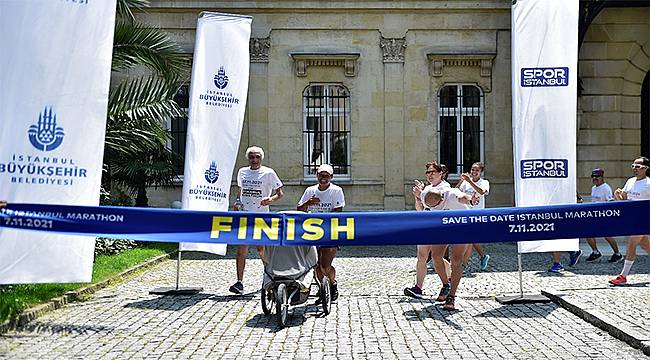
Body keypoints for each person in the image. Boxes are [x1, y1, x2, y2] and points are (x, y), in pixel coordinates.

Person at [229, 146, 284, 295]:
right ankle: (239, 282)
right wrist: (237, 202)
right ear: (248, 158)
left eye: (257, 157)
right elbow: (240, 191)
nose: (254, 160)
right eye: (252, 157)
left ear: (261, 158)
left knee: (262, 249)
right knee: (241, 250)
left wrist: (270, 200)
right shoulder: (242, 172)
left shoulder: (268, 173)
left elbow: (280, 193)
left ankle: (270, 277)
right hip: (245, 215)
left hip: (261, 216)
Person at [297, 164, 345, 301]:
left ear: (331, 177)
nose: (323, 178)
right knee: (316, 264)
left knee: (325, 265)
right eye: (320, 175)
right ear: (316, 176)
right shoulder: (310, 190)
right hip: (312, 231)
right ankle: (322, 289)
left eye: (326, 176)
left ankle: (332, 283)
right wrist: (308, 203)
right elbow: (299, 209)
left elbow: (338, 212)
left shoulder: (336, 191)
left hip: (329, 231)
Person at [405, 161, 451, 301]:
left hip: (440, 226)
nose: (430, 175)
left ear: (441, 174)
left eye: (433, 172)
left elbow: (436, 204)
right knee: (422, 255)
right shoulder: (427, 188)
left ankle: (448, 281)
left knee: (438, 257)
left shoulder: (445, 187)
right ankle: (418, 287)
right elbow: (420, 209)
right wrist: (417, 196)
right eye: (428, 172)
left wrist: (422, 194)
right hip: (426, 224)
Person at [609, 156, 650, 286]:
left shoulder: (649, 184)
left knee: (631, 244)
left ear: (645, 169)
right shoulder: (630, 181)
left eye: (638, 167)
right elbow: (624, 200)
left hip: (643, 219)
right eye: (633, 166)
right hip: (632, 219)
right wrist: (617, 195)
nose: (634, 169)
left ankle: (623, 276)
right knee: (646, 246)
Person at [457, 162, 491, 271]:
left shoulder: (484, 182)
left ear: (481, 172)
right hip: (465, 213)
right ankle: (472, 260)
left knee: (470, 238)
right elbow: (455, 192)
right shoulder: (466, 183)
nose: (474, 172)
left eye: (477, 170)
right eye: (472, 170)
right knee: (469, 239)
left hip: (478, 214)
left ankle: (466, 263)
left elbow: (482, 192)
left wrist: (469, 181)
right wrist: (461, 181)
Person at [585, 168, 622, 262]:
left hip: (604, 216)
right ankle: (595, 252)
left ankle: (617, 254)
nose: (594, 178)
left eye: (597, 176)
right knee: (588, 233)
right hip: (594, 215)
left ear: (602, 177)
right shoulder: (593, 188)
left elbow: (611, 202)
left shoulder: (606, 188)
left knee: (607, 236)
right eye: (593, 177)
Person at [548, 193, 584, 272]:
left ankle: (557, 264)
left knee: (555, 240)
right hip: (556, 215)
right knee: (555, 240)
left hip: (563, 217)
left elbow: (579, 200)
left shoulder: (566, 187)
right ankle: (573, 252)